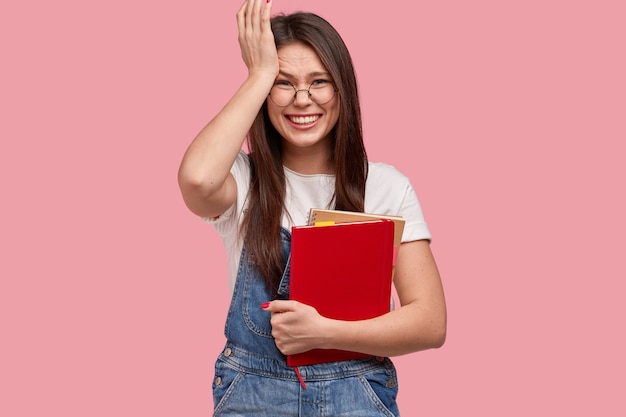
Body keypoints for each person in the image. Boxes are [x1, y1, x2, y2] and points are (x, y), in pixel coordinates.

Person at [178, 0, 446, 415]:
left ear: (342, 91)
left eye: (319, 81)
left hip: (356, 390)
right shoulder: (243, 181)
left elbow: (430, 322)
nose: (302, 99)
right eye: (284, 83)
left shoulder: (386, 186)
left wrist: (323, 332)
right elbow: (196, 179)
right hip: (254, 394)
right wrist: (259, 74)